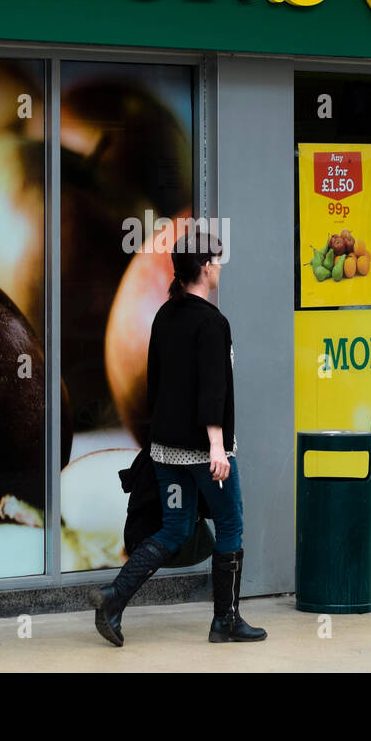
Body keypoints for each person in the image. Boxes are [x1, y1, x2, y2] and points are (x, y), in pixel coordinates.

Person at [89, 229, 267, 646]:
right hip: (204, 452)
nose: (219, 266)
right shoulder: (212, 323)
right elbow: (212, 390)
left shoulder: (164, 315)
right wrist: (217, 448)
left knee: (175, 527)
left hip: (166, 450)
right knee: (230, 523)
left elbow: (155, 386)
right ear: (204, 268)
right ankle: (225, 620)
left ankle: (114, 599)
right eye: (217, 261)